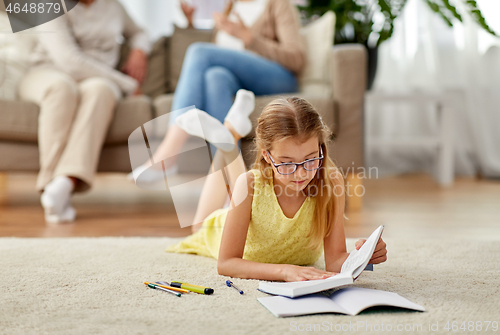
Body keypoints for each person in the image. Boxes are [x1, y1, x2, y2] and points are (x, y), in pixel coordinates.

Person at [166, 93, 388, 281]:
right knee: (200, 226)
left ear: (321, 148)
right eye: (287, 163)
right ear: (267, 155)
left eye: (311, 159)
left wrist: (362, 257)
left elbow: (336, 260)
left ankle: (228, 136)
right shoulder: (250, 184)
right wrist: (283, 271)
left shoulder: (332, 183)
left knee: (243, 182)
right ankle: (227, 141)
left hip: (250, 194)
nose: (301, 173)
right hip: (220, 229)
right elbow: (226, 264)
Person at [129, 0, 305, 184]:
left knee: (198, 51)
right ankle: (230, 179)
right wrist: (190, 24)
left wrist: (248, 38)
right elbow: (223, 52)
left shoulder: (277, 4)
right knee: (215, 77)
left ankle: (168, 154)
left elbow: (296, 58)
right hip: (235, 81)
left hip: (277, 77)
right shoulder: (230, 7)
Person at [18, 0, 150, 224]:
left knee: (102, 91)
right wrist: (126, 84)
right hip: (47, 72)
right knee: (62, 89)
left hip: (96, 79)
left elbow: (140, 32)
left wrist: (139, 50)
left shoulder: (113, 6)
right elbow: (69, 61)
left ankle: (64, 184)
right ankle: (51, 184)